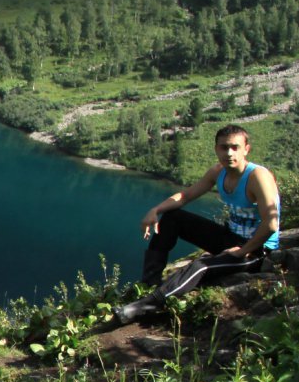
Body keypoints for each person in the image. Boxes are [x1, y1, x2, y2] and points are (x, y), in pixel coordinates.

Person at [115, 124, 280, 323]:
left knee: (200, 265)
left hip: (256, 249)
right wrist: (155, 210)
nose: (229, 153)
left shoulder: (257, 177)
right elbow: (186, 195)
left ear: (247, 149)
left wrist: (242, 251)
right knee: (172, 217)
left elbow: (271, 224)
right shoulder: (219, 172)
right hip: (230, 238)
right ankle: (150, 282)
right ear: (216, 149)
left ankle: (146, 305)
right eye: (224, 147)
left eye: (235, 147)